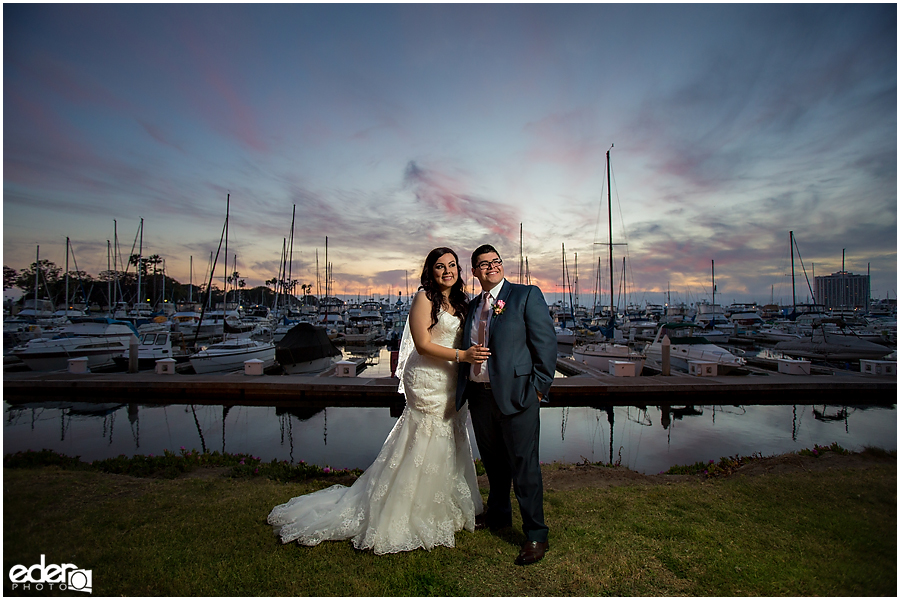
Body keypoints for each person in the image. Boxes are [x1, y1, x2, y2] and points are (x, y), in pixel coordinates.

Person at [268, 247, 489, 555]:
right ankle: (411, 509)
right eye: (440, 266)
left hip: (454, 381)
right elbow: (423, 345)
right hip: (427, 378)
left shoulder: (463, 302)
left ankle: (447, 502)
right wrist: (461, 355)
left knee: (451, 434)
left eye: (452, 265)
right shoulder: (424, 298)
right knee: (426, 435)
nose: (447, 271)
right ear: (431, 270)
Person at [455, 244, 557, 566]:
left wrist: (537, 391)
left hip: (519, 397)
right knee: (495, 465)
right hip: (480, 397)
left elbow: (546, 345)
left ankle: (536, 534)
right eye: (483, 264)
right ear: (474, 272)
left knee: (524, 467)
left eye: (495, 262)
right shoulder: (472, 307)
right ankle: (498, 515)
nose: (491, 267)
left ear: (502, 265)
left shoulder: (525, 296)